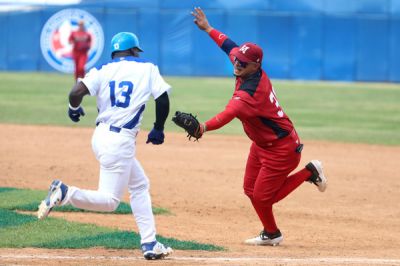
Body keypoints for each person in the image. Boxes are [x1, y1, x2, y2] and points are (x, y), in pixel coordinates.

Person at [190, 7, 327, 246]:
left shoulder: (251, 93)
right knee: (250, 190)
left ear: (256, 66)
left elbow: (227, 114)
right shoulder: (246, 64)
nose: (237, 65)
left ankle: (309, 172)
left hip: (281, 149)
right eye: (238, 60)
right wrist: (208, 28)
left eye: (243, 63)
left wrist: (203, 127)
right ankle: (271, 233)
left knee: (263, 198)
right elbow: (228, 45)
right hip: (262, 144)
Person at [37, 32, 173, 260]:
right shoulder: (147, 67)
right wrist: (158, 127)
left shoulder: (101, 70)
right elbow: (162, 99)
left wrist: (73, 109)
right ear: (132, 51)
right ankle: (66, 192)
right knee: (110, 201)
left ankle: (150, 243)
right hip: (120, 142)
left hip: (100, 137)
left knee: (140, 185)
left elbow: (75, 92)